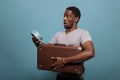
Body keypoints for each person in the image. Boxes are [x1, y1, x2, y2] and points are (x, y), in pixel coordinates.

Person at [32, 6, 95, 80]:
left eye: (68, 16)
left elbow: (90, 52)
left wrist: (64, 61)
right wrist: (39, 45)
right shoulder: (58, 34)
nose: (64, 19)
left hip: (76, 77)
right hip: (60, 76)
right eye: (64, 16)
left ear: (76, 19)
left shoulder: (83, 33)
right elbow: (48, 52)